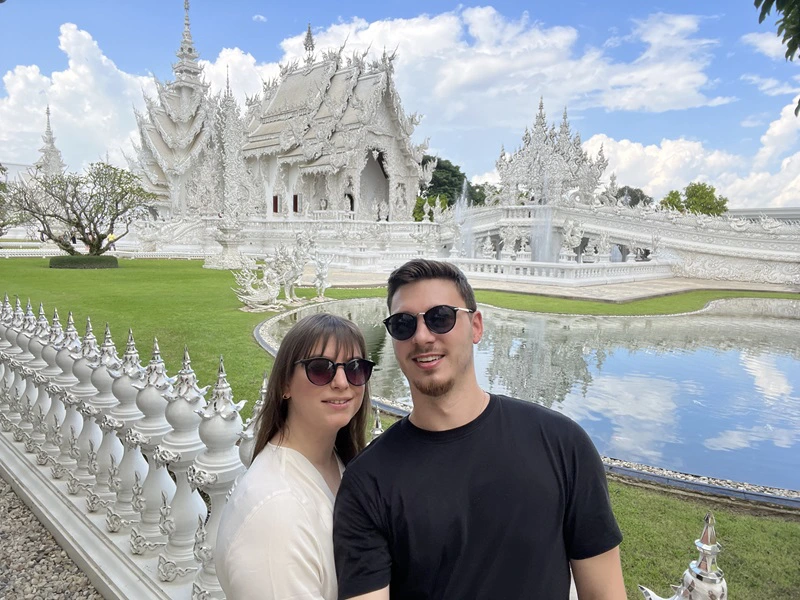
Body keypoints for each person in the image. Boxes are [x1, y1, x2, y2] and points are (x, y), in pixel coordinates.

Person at [333, 259, 626, 600]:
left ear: (475, 326)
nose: (422, 336)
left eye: (440, 317)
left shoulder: (562, 444)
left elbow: (605, 593)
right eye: (403, 324)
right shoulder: (367, 482)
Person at [216, 313, 375, 600]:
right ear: (285, 384)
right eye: (320, 369)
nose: (342, 382)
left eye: (355, 368)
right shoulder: (276, 512)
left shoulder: (338, 464)